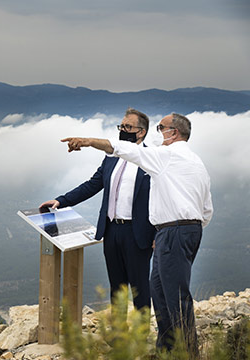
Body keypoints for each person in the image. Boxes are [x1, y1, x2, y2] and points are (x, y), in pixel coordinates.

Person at [61, 113, 213, 354]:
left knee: (173, 296)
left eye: (161, 128)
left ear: (173, 133)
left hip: (170, 231)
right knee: (160, 291)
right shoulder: (196, 161)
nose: (158, 133)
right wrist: (188, 229)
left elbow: (125, 149)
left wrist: (88, 141)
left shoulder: (165, 156)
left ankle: (186, 352)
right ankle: (165, 349)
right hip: (180, 230)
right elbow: (206, 208)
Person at [40, 108, 155, 311]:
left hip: (138, 232)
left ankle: (141, 335)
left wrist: (158, 232)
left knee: (140, 287)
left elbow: (160, 198)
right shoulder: (111, 157)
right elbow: (92, 185)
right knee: (116, 286)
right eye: (121, 126)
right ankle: (118, 336)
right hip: (111, 230)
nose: (123, 130)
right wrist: (61, 201)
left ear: (142, 132)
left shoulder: (150, 158)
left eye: (128, 127)